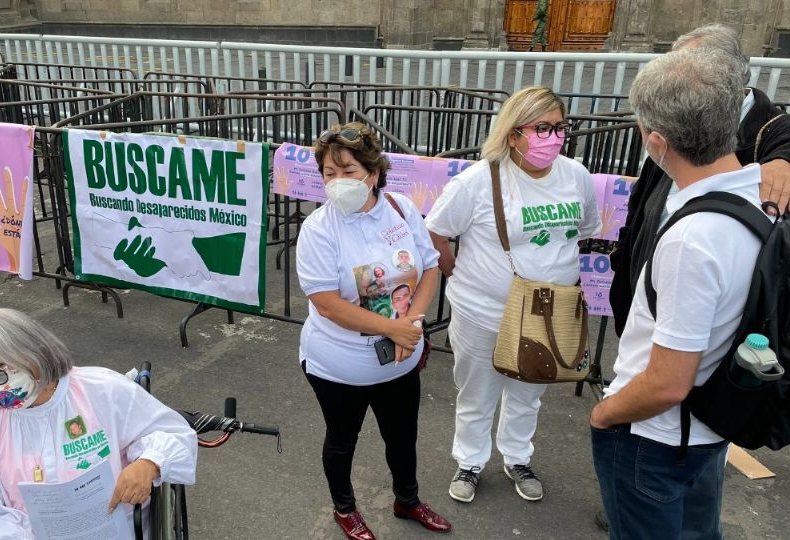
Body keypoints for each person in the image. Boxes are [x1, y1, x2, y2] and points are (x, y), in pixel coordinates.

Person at [590, 46, 763, 540]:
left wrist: (605, 414)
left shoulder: (693, 236)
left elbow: (667, 383)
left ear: (658, 141)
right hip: (708, 426)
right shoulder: (759, 198)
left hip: (656, 436)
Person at [425, 86, 601, 505]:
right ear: (513, 133)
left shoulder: (576, 176)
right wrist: (457, 273)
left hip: (549, 312)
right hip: (485, 312)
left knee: (529, 390)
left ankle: (517, 457)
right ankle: (469, 461)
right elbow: (436, 230)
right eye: (543, 128)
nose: (554, 137)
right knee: (478, 391)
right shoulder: (479, 180)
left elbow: (584, 229)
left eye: (560, 127)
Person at [296, 122, 450, 539]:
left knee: (403, 436)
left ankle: (408, 500)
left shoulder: (400, 208)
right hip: (340, 365)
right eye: (329, 173)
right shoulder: (319, 229)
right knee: (342, 439)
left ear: (374, 173)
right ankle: (344, 509)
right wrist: (396, 330)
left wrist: (412, 324)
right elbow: (327, 303)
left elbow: (430, 267)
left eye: (348, 171)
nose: (337, 182)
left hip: (401, 358)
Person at [610, 23, 790, 338]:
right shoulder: (673, 119)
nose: (672, 79)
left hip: (710, 326)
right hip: (645, 298)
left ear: (729, 78)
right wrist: (624, 260)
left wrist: (784, 160)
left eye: (686, 70)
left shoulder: (771, 130)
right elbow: (642, 202)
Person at [0, 308, 198, 538]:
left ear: (32, 353)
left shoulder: (101, 390)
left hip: (116, 528)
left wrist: (149, 463)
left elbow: (175, 434)